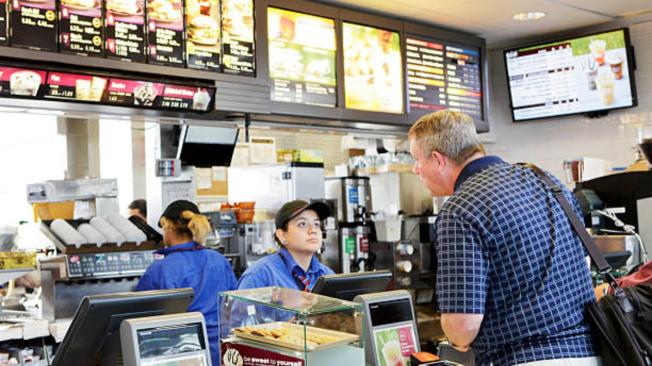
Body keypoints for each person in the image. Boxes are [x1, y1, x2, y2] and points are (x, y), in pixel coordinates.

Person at [409, 110, 599, 366]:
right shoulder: (546, 180)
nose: (415, 169)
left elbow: (462, 327)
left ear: (438, 159)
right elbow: (580, 266)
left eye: (416, 160)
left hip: (525, 359)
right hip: (592, 353)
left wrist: (455, 338)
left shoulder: (460, 209)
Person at [135, 200, 236, 365]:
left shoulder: (161, 269)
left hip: (183, 355)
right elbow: (233, 305)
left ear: (168, 227)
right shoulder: (218, 260)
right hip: (221, 352)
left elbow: (141, 317)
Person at [237, 200, 334, 292]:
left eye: (316, 224)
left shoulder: (327, 275)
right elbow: (240, 309)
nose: (313, 230)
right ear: (282, 236)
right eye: (302, 224)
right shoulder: (260, 275)